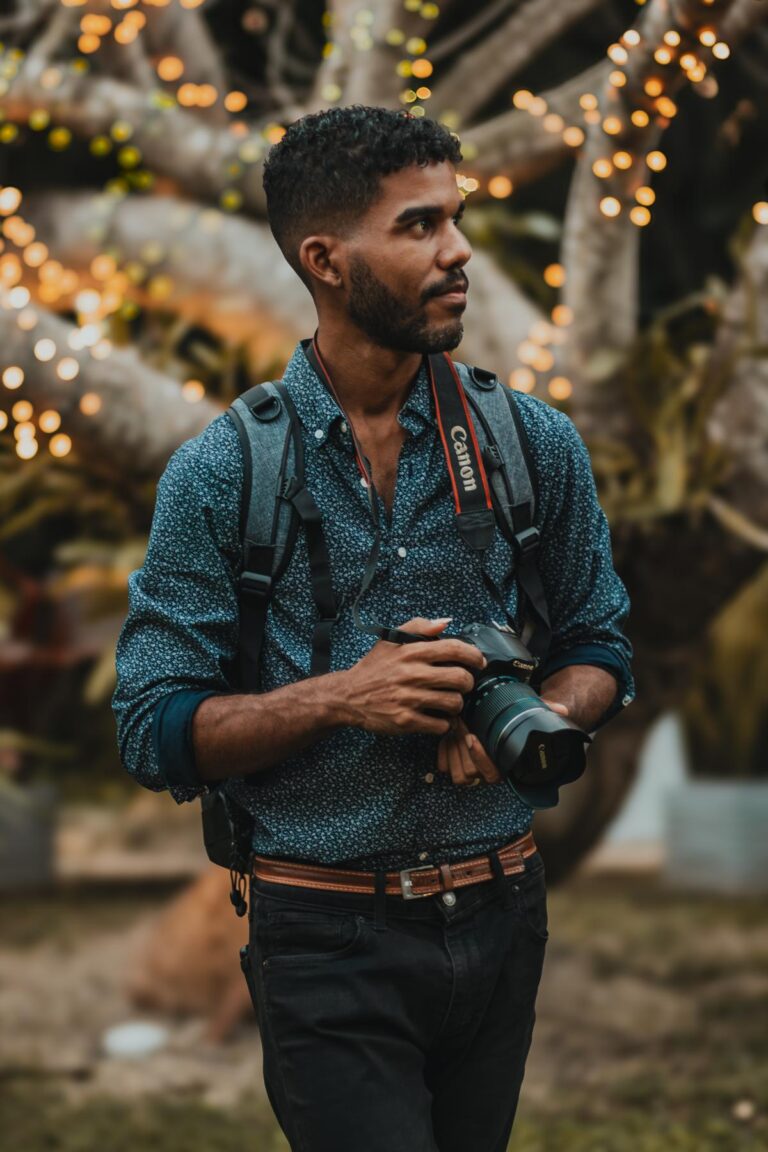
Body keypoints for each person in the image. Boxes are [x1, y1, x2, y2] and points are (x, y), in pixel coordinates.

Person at [113, 106, 634, 1152]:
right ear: (327, 259)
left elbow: (601, 648)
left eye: (458, 219)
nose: (460, 252)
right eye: (420, 226)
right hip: (324, 935)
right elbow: (152, 725)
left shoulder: (534, 444)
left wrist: (529, 710)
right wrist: (345, 696)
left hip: (502, 919)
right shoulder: (224, 474)